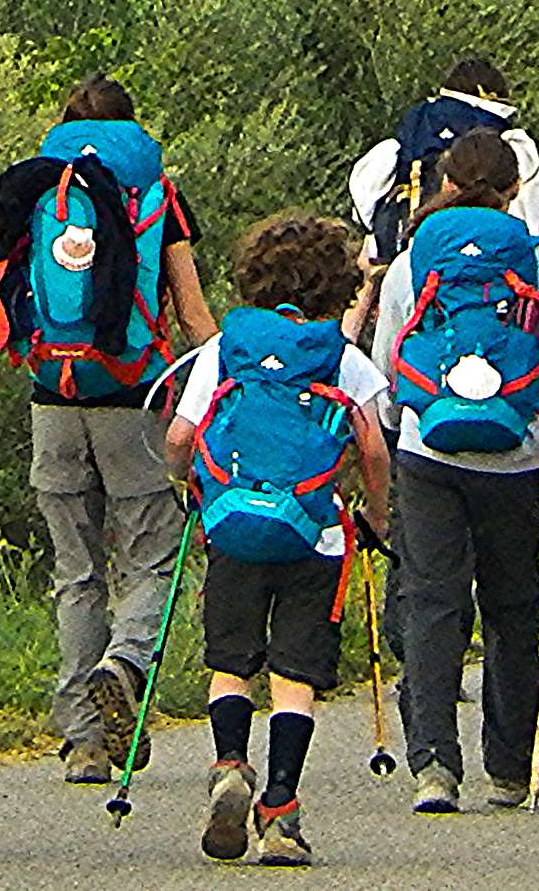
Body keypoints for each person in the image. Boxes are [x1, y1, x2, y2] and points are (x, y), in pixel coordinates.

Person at [367, 127, 539, 813]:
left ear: (447, 181)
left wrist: (400, 430)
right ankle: (511, 764)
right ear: (514, 189)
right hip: (513, 456)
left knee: (433, 602)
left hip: (428, 452)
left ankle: (434, 766)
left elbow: (390, 367)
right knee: (511, 608)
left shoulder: (415, 258)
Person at [0, 77, 217, 782]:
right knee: (149, 551)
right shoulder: (155, 192)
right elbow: (195, 317)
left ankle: (83, 739)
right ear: (133, 125)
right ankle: (128, 661)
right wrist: (213, 403)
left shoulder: (38, 187)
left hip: (50, 396)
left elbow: (1, 297)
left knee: (74, 571)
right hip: (134, 395)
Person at [165, 212, 391, 868]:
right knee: (295, 677)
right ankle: (281, 810)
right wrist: (378, 514)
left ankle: (231, 763)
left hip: (233, 524)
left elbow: (181, 437)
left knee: (231, 664)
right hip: (313, 533)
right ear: (338, 287)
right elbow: (372, 449)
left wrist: (187, 485)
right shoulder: (339, 356)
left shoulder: (223, 350)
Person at [349, 58, 539, 270]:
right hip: (488, 269)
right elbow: (529, 226)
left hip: (404, 262)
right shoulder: (511, 143)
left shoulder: (411, 133)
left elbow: (364, 203)